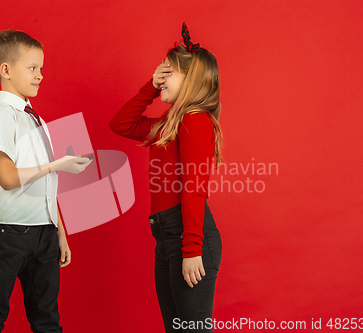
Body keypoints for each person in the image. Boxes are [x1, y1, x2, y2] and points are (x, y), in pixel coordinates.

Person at [0, 30, 92, 333]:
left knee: (48, 320)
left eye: (41, 69)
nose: (40, 76)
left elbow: (47, 187)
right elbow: (8, 178)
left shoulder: (35, 118)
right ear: (6, 70)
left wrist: (59, 231)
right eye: (33, 68)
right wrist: (54, 165)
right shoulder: (1, 115)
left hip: (44, 233)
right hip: (10, 231)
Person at [109, 23, 223, 333]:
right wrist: (149, 85)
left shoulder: (195, 120)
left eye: (168, 71)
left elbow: (195, 188)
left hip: (187, 238)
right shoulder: (169, 123)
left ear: (191, 80)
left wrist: (192, 250)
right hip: (166, 237)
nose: (161, 76)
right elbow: (121, 124)